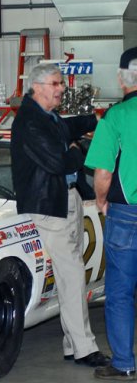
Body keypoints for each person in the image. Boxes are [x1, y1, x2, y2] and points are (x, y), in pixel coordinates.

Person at [11, 63, 109, 367]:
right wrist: (78, 150)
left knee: (72, 276)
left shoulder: (47, 117)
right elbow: (58, 163)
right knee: (72, 277)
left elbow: (67, 128)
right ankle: (84, 348)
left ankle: (72, 343)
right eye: (56, 84)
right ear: (37, 87)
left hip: (66, 200)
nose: (62, 89)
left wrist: (95, 119)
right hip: (49, 207)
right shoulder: (30, 122)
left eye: (61, 84)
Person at [85, 46, 137, 381]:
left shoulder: (116, 117)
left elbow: (103, 173)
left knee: (119, 292)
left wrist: (102, 201)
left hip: (127, 215)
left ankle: (124, 362)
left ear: (122, 79)